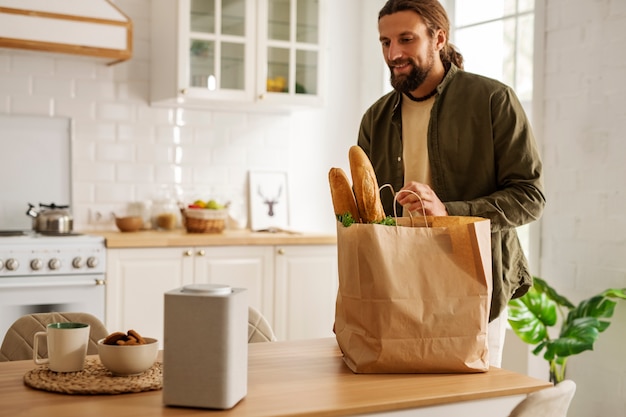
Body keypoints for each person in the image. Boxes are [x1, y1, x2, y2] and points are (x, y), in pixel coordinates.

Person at [357, 0, 546, 367]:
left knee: (471, 403)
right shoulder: (374, 119)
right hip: (398, 290)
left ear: (438, 38)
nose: (393, 53)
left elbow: (530, 196)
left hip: (476, 288)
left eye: (406, 39)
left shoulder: (493, 100)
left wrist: (449, 213)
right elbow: (370, 215)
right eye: (385, 42)